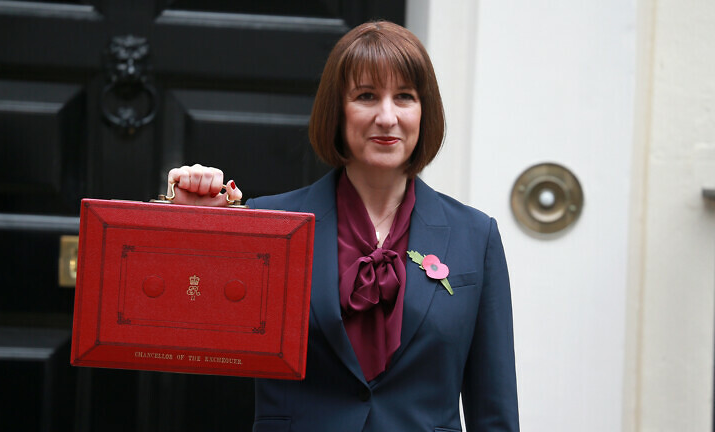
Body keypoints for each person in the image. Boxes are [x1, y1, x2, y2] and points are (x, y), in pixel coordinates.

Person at [168, 20, 519, 432]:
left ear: (424, 112)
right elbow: (185, 328)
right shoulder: (271, 224)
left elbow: (493, 410)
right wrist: (190, 224)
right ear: (338, 110)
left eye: (404, 97)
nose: (387, 117)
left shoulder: (475, 237)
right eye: (367, 96)